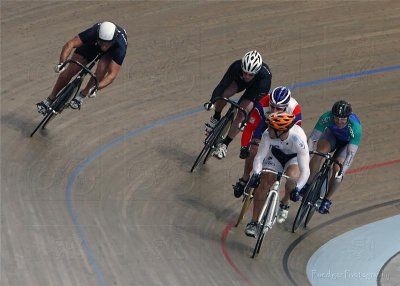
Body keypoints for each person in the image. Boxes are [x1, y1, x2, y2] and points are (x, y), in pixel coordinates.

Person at [36, 21, 128, 114]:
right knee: (70, 70)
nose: (104, 47)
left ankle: (82, 95)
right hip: (94, 44)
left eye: (107, 44)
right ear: (97, 36)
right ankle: (50, 98)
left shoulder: (120, 46)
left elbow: (112, 75)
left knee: (101, 69)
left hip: (111, 51)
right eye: (102, 43)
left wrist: (96, 88)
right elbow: (70, 44)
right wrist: (62, 63)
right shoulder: (93, 33)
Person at [290, 100, 362, 214]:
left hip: (346, 145)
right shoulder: (326, 117)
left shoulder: (355, 128)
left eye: (342, 119)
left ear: (348, 117)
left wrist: (342, 172)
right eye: (336, 118)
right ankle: (307, 184)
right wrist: (306, 158)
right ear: (332, 115)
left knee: (337, 170)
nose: (339, 122)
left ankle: (327, 200)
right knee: (319, 153)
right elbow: (312, 139)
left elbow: (350, 155)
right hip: (331, 136)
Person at [244, 113, 310, 237]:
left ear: (280, 130)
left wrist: (298, 189)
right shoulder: (267, 135)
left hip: (293, 158)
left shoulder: (298, 138)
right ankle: (253, 222)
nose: (267, 129)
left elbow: (305, 170)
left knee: (292, 178)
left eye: (270, 128)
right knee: (263, 183)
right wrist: (256, 174)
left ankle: (285, 202)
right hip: (275, 155)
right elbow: (259, 158)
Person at [233, 86, 302, 198]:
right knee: (254, 148)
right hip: (265, 124)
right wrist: (244, 147)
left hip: (282, 129)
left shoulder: (294, 111)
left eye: (279, 108)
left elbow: (291, 136)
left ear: (286, 107)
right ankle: (244, 178)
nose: (274, 111)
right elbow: (250, 127)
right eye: (272, 106)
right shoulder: (263, 103)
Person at [204, 50, 272, 159]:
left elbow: (258, 103)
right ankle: (216, 117)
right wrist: (212, 101)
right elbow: (221, 85)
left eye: (250, 74)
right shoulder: (236, 67)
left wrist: (246, 120)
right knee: (224, 94)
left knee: (242, 112)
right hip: (238, 82)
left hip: (254, 89)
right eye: (244, 72)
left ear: (257, 71)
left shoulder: (265, 78)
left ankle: (224, 145)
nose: (246, 76)